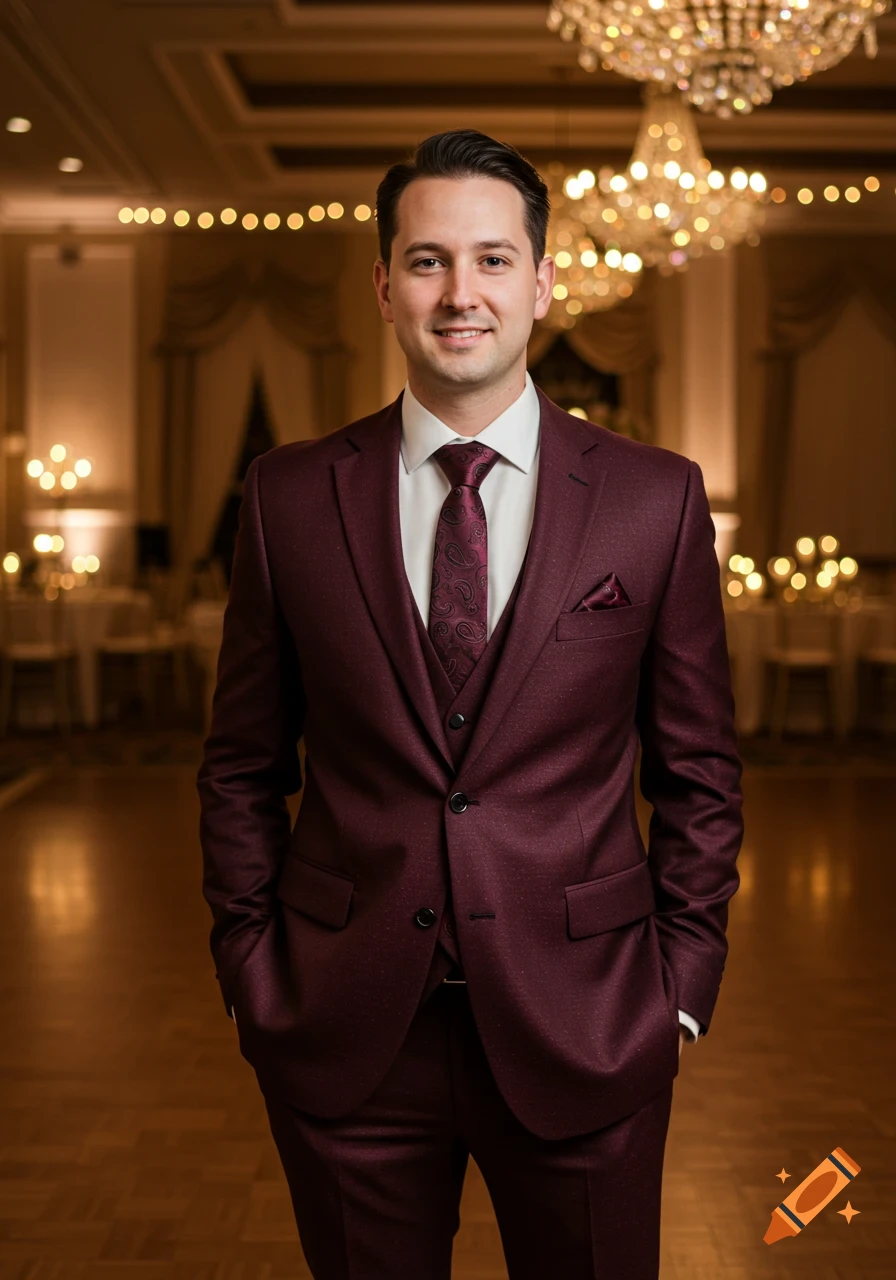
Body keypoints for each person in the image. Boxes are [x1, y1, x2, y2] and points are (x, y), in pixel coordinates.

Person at [197, 128, 743, 1280]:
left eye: (492, 259)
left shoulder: (654, 498)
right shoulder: (288, 495)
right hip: (343, 1028)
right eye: (428, 260)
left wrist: (679, 989)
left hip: (590, 1019)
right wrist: (251, 969)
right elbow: (241, 763)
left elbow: (698, 771)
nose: (460, 293)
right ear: (383, 285)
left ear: (540, 282)